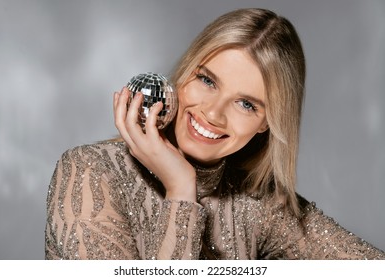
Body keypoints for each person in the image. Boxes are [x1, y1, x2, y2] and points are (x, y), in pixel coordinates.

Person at [45, 8, 384, 260]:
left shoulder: (258, 205)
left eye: (246, 104)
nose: (213, 113)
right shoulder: (90, 170)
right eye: (207, 80)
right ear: (186, 74)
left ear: (267, 123)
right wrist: (180, 190)